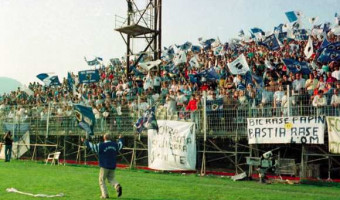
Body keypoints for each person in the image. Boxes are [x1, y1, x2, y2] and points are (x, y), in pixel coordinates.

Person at [82, 134, 123, 199]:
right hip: (112, 165)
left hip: (104, 165)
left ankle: (105, 194)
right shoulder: (115, 145)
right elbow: (120, 145)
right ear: (111, 138)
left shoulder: (101, 145)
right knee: (111, 178)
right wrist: (120, 138)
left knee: (101, 180)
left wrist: (85, 141)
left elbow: (92, 146)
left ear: (104, 138)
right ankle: (117, 185)